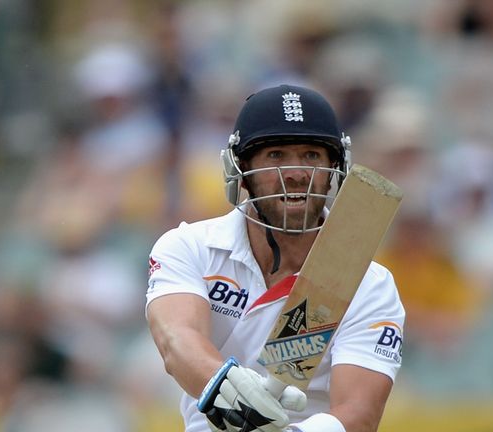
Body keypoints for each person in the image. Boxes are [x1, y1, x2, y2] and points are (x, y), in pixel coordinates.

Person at [146, 84, 405, 432]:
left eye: (311, 155)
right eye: (276, 155)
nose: (296, 173)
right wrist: (227, 391)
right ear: (241, 168)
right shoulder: (190, 247)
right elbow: (177, 339)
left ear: (334, 168)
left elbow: (359, 413)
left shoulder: (369, 284)